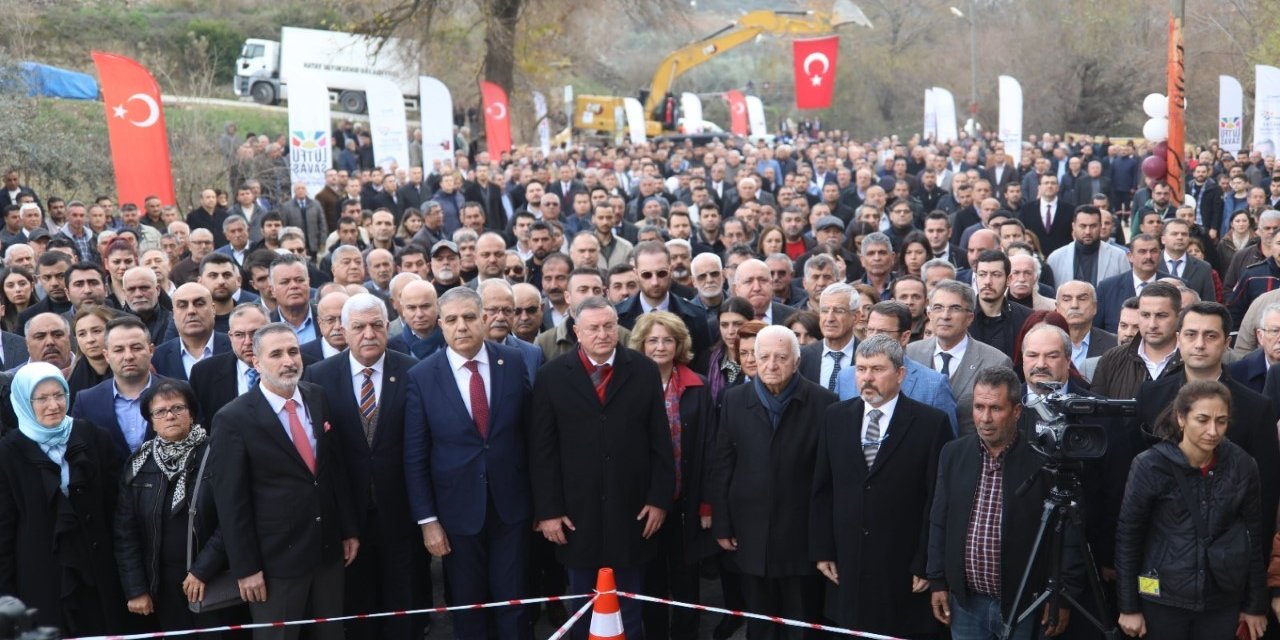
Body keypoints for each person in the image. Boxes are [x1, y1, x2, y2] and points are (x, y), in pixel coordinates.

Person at [529, 296, 674, 640]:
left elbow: (660, 442)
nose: (603, 334)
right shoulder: (551, 376)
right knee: (582, 606)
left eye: (609, 326)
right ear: (577, 331)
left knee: (629, 607)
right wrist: (548, 511)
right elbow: (542, 450)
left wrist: (659, 499)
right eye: (593, 328)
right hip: (576, 515)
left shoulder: (643, 370)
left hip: (633, 511)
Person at [209, 323, 359, 640]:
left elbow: (332, 473)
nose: (288, 361)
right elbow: (231, 502)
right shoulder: (233, 418)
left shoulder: (317, 397)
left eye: (292, 351)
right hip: (275, 562)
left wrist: (348, 529)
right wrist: (246, 568)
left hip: (328, 551)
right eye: (276, 354)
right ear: (256, 362)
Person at [404, 287, 533, 639]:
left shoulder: (513, 362)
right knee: (468, 606)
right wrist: (428, 521)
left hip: (512, 507)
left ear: (485, 318)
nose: (462, 326)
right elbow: (415, 454)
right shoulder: (422, 375)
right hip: (456, 513)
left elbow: (531, 435)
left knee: (515, 604)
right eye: (452, 320)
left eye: (470, 317)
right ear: (440, 325)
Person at [811, 334, 952, 637]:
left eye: (877, 369)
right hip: (847, 565)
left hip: (902, 569)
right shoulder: (835, 416)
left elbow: (937, 500)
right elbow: (823, 488)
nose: (867, 378)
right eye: (861, 369)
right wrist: (823, 549)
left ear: (900, 374)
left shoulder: (931, 423)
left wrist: (926, 562)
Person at [927, 366, 1076, 640]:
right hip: (966, 604)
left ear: (1017, 412)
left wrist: (1062, 597)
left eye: (995, 408)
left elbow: (1066, 536)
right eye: (979, 407)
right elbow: (939, 521)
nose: (985, 418)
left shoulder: (1042, 462)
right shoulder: (953, 454)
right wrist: (937, 580)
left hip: (1025, 605)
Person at [303, 293, 421, 640]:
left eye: (376, 325)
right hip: (347, 514)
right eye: (359, 327)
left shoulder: (412, 371)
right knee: (357, 604)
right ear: (342, 330)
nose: (368, 334)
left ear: (387, 327)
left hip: (401, 510)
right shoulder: (319, 375)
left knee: (404, 599)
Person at [710, 325, 838, 639]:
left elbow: (829, 478)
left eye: (780, 357)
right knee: (760, 624)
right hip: (750, 534)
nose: (771, 365)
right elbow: (723, 465)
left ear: (796, 362)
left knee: (801, 622)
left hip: (801, 536)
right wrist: (723, 525)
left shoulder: (824, 403)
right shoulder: (734, 399)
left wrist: (824, 540)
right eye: (763, 357)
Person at [1115, 381, 1268, 640]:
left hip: (1221, 600)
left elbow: (1254, 537)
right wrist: (1128, 607)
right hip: (1162, 598)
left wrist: (1255, 606)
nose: (1213, 430)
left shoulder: (1242, 465)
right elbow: (1128, 537)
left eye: (1221, 421)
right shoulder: (1150, 465)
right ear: (1181, 418)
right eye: (1202, 419)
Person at [0, 362, 126, 634]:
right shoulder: (8, 453)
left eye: (59, 395)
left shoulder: (92, 436)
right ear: (22, 401)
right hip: (40, 574)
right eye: (42, 398)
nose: (54, 405)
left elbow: (116, 507)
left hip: (97, 569)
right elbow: (4, 530)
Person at [114, 379, 245, 633]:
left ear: (191, 413)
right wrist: (136, 589)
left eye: (177, 408)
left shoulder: (216, 453)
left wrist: (202, 570)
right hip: (161, 585)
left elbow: (232, 518)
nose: (169, 416)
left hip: (213, 578)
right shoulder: (139, 463)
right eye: (160, 412)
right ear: (151, 421)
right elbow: (124, 533)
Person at [629, 311, 716, 640]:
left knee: (685, 578)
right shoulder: (631, 383)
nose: (660, 346)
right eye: (653, 340)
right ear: (641, 344)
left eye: (668, 340)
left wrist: (707, 503)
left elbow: (709, 445)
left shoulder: (698, 384)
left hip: (687, 499)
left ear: (680, 344)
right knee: (649, 578)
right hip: (645, 501)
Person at [906, 280, 1014, 435]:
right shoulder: (910, 353)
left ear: (970, 317)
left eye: (955, 309)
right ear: (929, 314)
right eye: (938, 308)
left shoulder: (996, 361)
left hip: (968, 453)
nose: (945, 316)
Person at [66, 305, 113, 398]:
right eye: (82, 334)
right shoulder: (67, 377)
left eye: (96, 331)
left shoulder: (135, 371)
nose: (90, 339)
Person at [0, 266, 35, 334]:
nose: (17, 289)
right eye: (10, 286)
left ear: (32, 286)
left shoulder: (44, 311)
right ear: (3, 290)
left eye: (22, 284)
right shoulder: (1, 320)